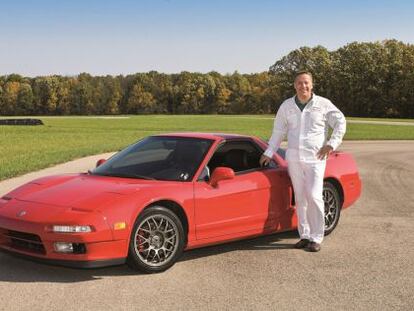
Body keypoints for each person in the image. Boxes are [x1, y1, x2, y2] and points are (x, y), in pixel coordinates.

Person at [260, 71, 346, 252]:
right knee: (300, 198)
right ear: (294, 85)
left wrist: (331, 144)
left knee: (314, 196)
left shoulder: (323, 104)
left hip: (315, 158)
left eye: (306, 83)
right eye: (299, 83)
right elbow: (278, 132)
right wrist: (268, 152)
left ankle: (317, 237)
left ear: (312, 85)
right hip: (293, 158)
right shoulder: (286, 106)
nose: (303, 86)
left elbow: (340, 122)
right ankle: (305, 235)